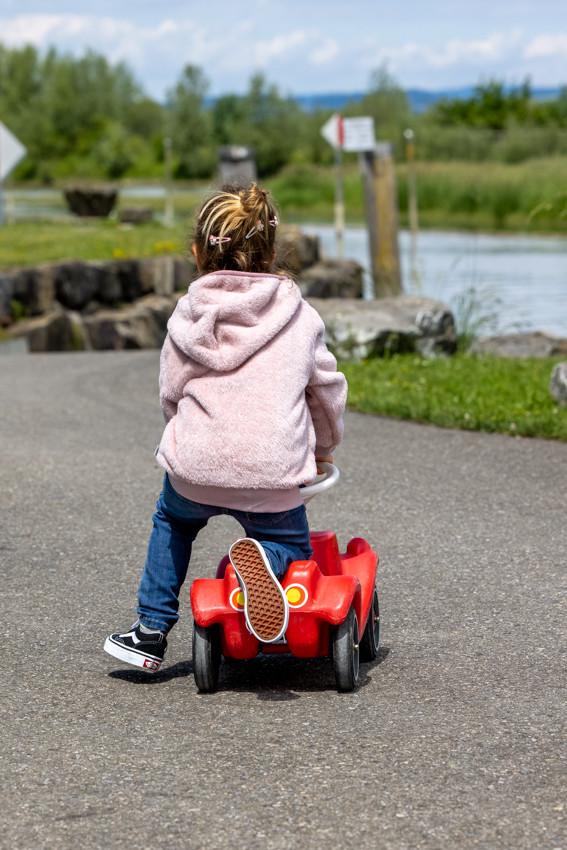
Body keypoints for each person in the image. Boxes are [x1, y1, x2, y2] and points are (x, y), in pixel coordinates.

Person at [104, 184, 347, 672]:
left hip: (196, 468)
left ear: (197, 252)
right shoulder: (299, 316)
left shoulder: (188, 314)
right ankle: (266, 559)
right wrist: (322, 447)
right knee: (293, 546)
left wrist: (186, 437)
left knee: (173, 522)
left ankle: (149, 632)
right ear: (272, 253)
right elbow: (325, 391)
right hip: (271, 473)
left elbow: (171, 392)